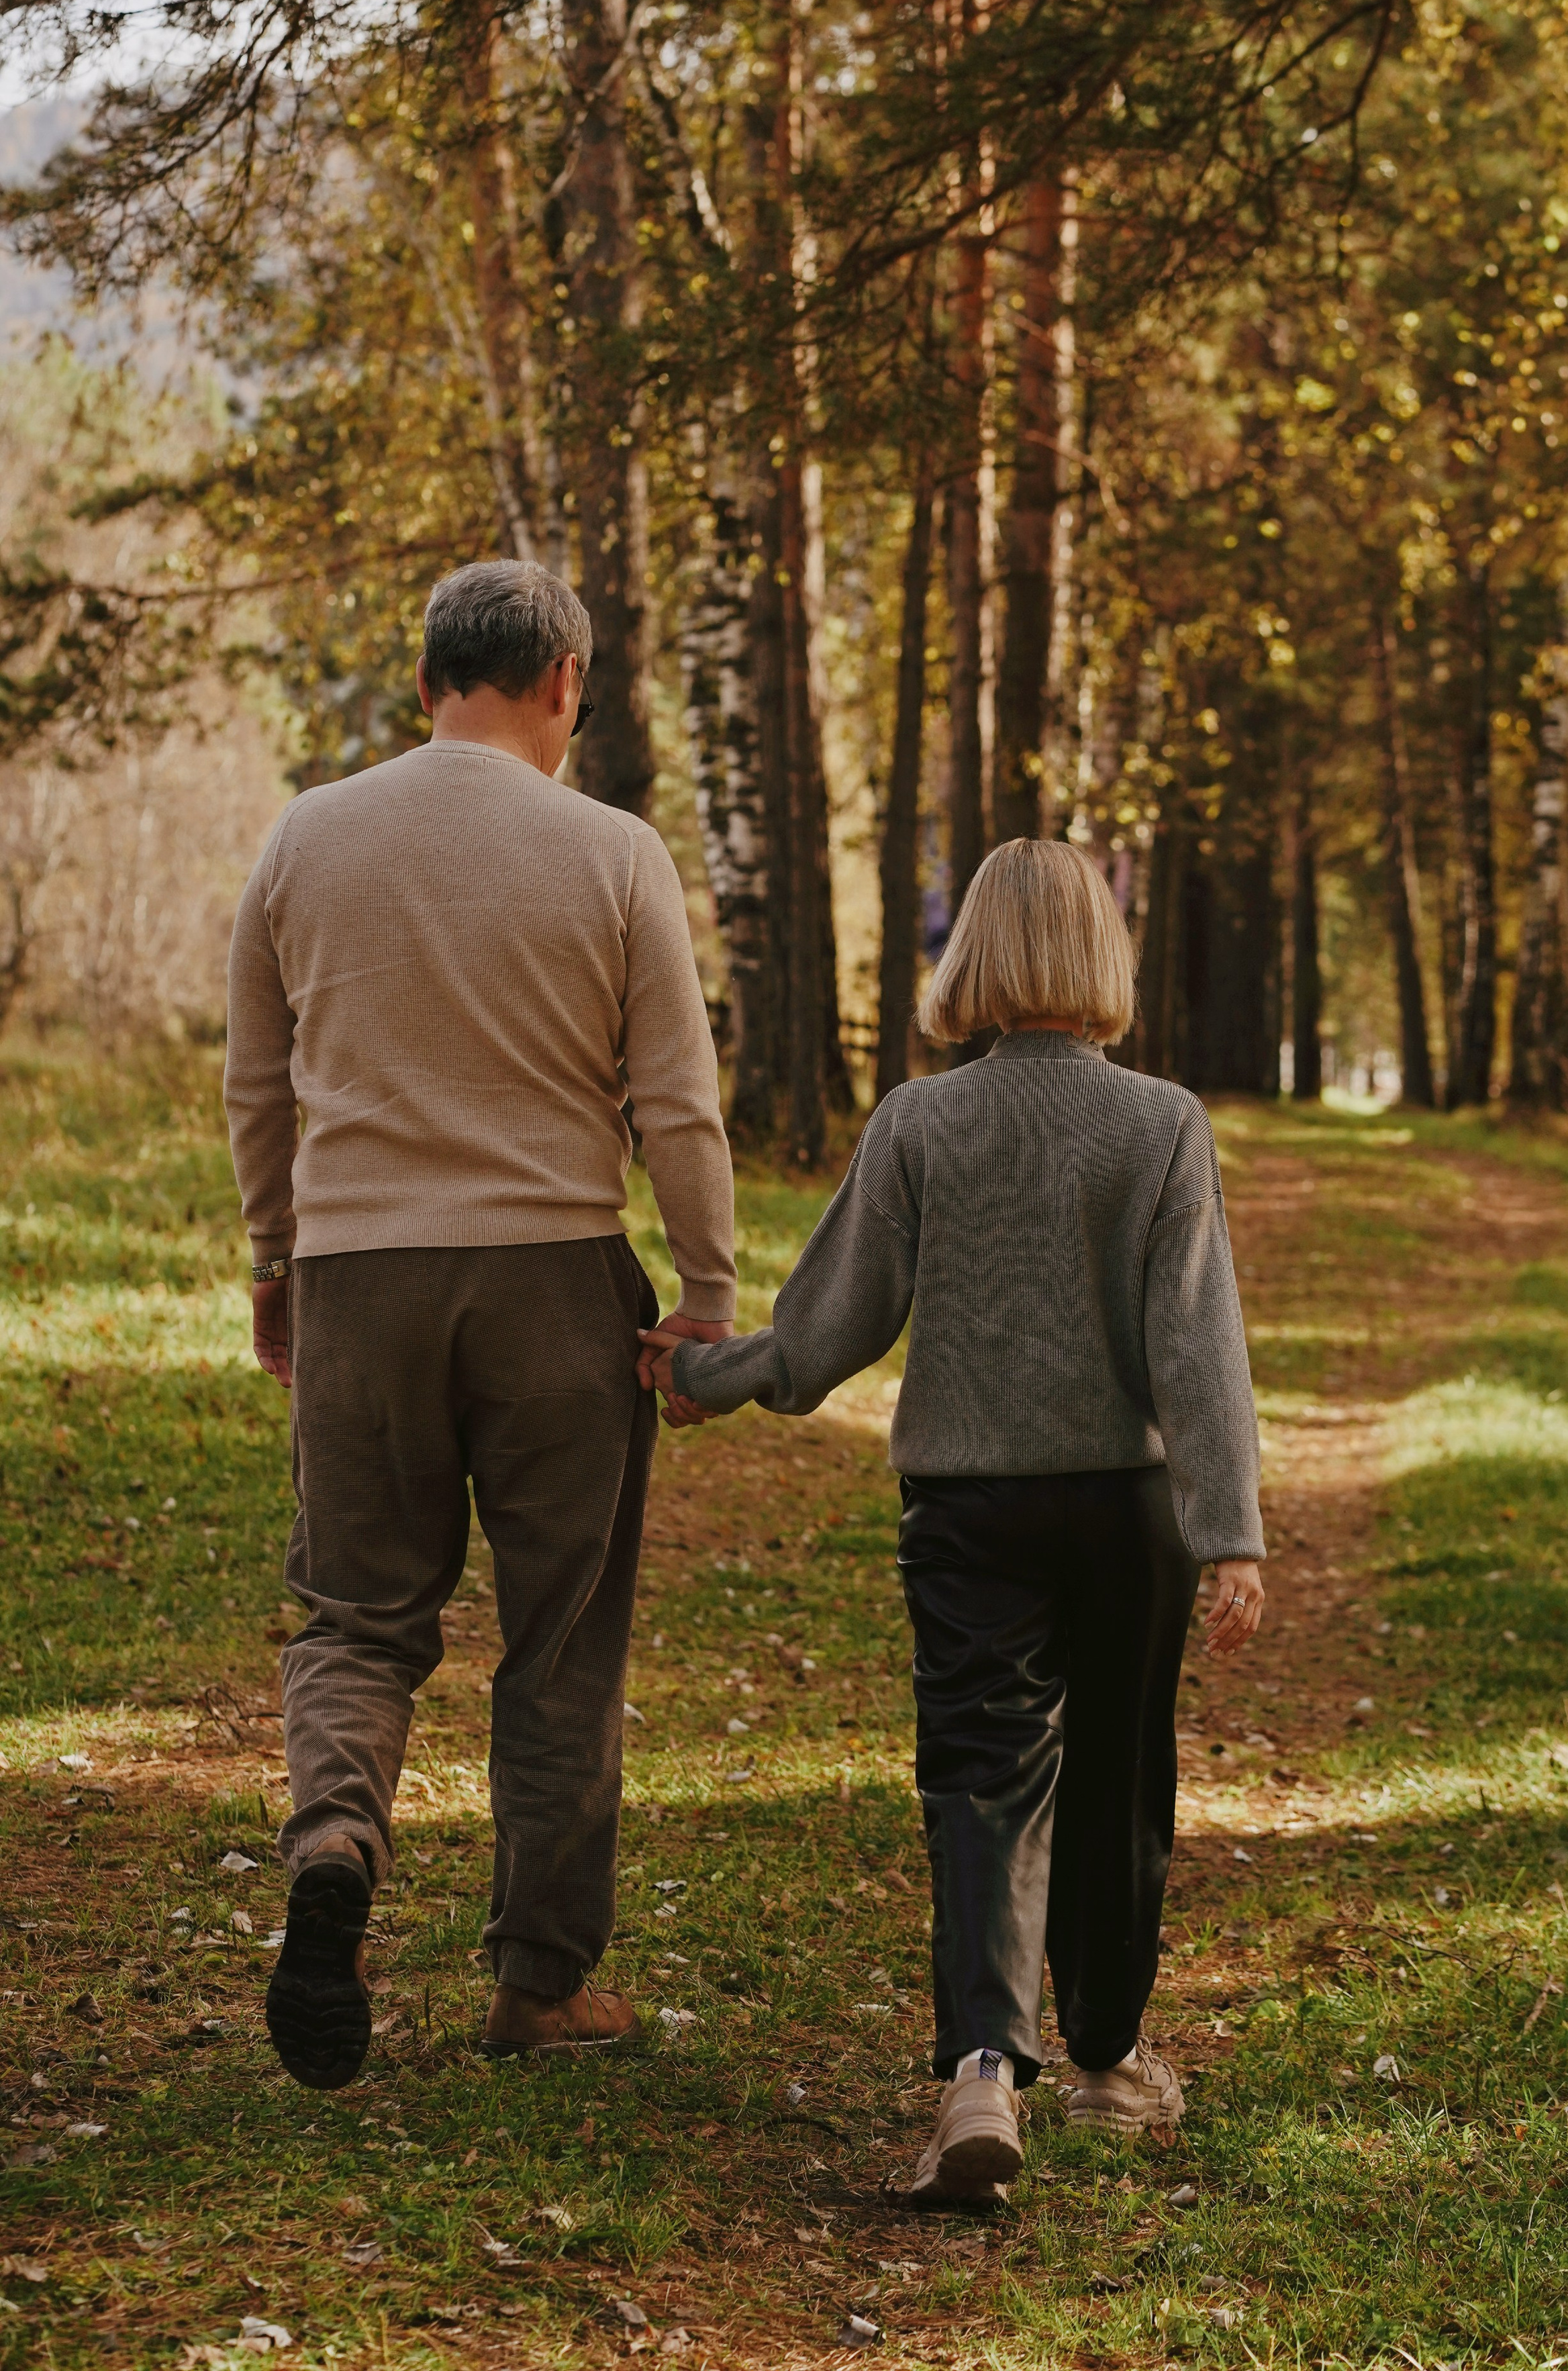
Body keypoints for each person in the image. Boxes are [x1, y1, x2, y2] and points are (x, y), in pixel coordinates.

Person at [639, 838, 1265, 2204]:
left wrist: (704, 1373)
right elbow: (1193, 1345)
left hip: (967, 1509)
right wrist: (1228, 1532)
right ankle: (1102, 2060)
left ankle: (982, 2069)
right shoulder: (1161, 1125)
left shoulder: (919, 1125)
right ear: (1097, 958)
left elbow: (826, 1324)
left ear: (969, 956)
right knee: (1116, 1778)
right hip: (1126, 1511)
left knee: (980, 1779)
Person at [225, 559, 735, 2090]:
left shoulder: (306, 838)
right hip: (555, 1283)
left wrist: (277, 1261)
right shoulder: (615, 852)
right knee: (561, 1638)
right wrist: (705, 1293)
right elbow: (678, 1103)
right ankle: (535, 1982)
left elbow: (261, 1085)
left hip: (361, 1276)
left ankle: (334, 1840)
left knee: (358, 1616)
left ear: (429, 669)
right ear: (565, 684)